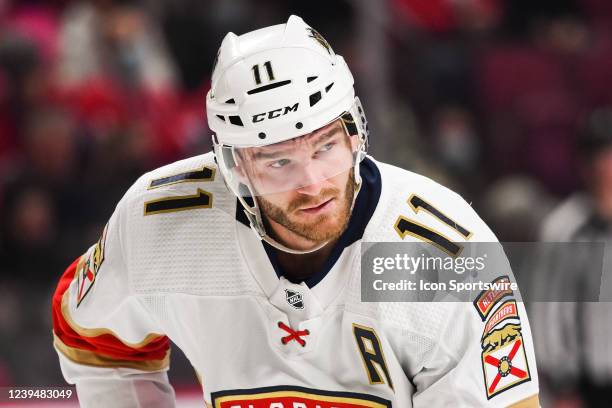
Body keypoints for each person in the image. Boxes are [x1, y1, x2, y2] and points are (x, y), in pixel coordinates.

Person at [51, 15, 539, 407]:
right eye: (278, 160)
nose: (311, 184)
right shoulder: (159, 222)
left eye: (324, 147)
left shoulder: (448, 255)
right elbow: (94, 333)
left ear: (355, 133)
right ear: (235, 165)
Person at [531, 107, 612, 408]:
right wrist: (563, 384)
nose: (606, 166)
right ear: (585, 166)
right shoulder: (565, 227)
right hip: (587, 382)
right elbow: (549, 312)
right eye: (600, 157)